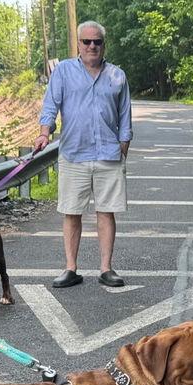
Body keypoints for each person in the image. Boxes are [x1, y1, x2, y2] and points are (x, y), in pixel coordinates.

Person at [34, 20, 132, 289]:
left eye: (97, 42)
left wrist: (124, 144)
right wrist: (44, 132)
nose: (92, 46)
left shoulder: (117, 75)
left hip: (108, 155)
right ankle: (70, 268)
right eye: (86, 41)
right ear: (78, 44)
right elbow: (50, 106)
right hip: (74, 153)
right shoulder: (64, 71)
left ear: (103, 45)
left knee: (106, 211)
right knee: (71, 211)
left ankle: (106, 268)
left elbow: (125, 117)